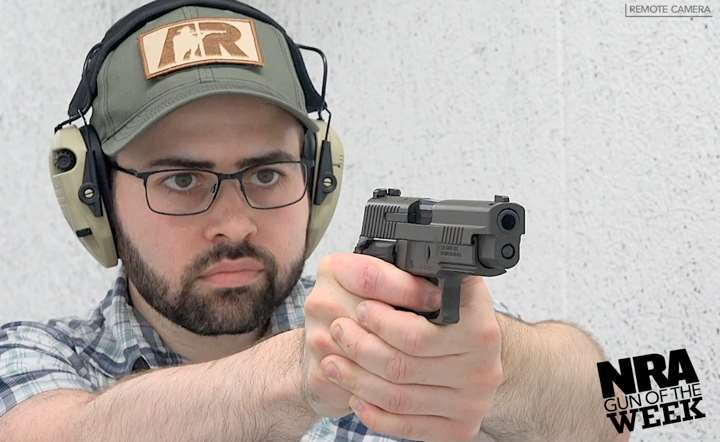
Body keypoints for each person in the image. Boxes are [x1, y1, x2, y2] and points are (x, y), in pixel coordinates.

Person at [0, 1, 628, 441]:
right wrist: (307, 371)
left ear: (319, 184)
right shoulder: (36, 359)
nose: (234, 223)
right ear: (95, 201)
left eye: (267, 174)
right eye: (182, 180)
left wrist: (502, 365)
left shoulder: (394, 331)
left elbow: (633, 406)